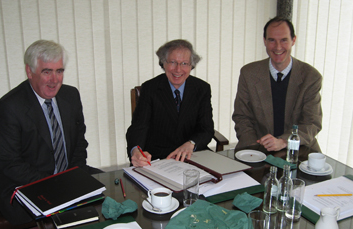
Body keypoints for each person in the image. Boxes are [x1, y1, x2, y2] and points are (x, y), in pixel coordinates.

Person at [0, 40, 102, 225]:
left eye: (59, 71)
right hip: (22, 183)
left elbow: (79, 143)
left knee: (110, 190)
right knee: (51, 216)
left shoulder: (71, 96)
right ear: (29, 72)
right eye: (46, 72)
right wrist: (56, 184)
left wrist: (74, 175)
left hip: (66, 175)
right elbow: (10, 164)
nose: (55, 80)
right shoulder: (9, 108)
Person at [232, 17, 322, 152]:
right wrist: (256, 147)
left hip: (299, 150)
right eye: (272, 40)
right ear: (265, 41)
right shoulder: (248, 73)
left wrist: (284, 141)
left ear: (293, 40)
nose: (278, 47)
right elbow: (242, 117)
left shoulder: (311, 77)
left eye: (284, 40)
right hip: (258, 148)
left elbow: (311, 123)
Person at [126, 39, 214, 167]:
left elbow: (206, 129)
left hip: (193, 155)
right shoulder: (150, 88)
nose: (178, 69)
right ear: (164, 63)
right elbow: (139, 127)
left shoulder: (202, 88)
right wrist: (135, 150)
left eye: (184, 63)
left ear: (191, 65)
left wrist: (191, 143)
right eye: (173, 62)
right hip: (159, 158)